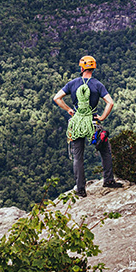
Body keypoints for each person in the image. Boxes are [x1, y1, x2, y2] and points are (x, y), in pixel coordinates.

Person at [53, 55, 123, 197]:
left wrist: (68, 110)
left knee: (78, 156)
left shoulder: (72, 83)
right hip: (93, 122)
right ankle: (108, 180)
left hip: (78, 122)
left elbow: (57, 98)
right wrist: (102, 117)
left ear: (82, 67)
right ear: (93, 68)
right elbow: (110, 102)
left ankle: (80, 189)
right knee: (105, 150)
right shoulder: (98, 84)